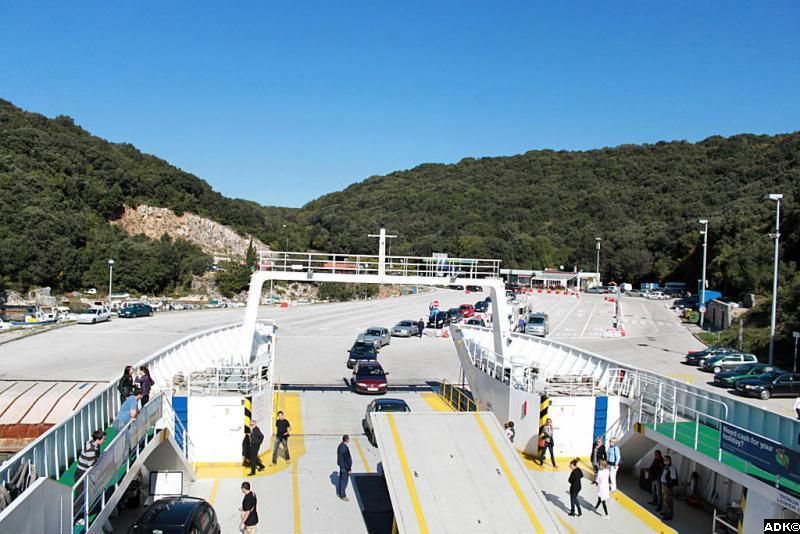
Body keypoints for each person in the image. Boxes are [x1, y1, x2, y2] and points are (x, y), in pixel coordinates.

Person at [659, 455, 678, 521]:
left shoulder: (672, 468)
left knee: (668, 501)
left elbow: (673, 478)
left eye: (666, 460)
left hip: (667, 487)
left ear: (669, 460)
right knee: (665, 500)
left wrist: (668, 486)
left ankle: (669, 515)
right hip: (663, 485)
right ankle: (665, 512)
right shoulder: (666, 467)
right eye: (664, 460)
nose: (664, 461)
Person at [337, 434, 352, 501]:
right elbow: (347, 460)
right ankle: (343, 496)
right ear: (347, 440)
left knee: (341, 480)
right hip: (345, 468)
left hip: (341, 466)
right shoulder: (345, 449)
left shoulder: (340, 446)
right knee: (344, 482)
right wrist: (349, 469)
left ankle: (339, 492)